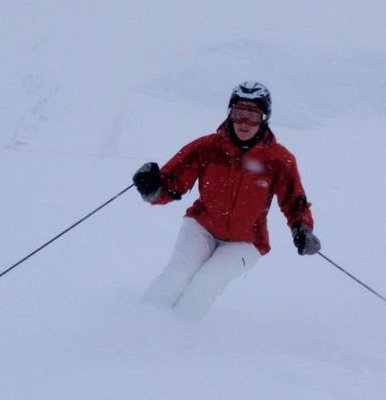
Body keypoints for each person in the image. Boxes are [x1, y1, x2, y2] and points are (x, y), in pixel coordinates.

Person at [133, 81, 321, 320]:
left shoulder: (279, 160)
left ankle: (178, 334)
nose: (244, 122)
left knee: (205, 283)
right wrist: (151, 188)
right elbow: (171, 184)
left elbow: (294, 201)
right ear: (229, 113)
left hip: (246, 241)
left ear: (264, 118)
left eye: (253, 115)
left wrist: (302, 230)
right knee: (177, 275)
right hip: (202, 227)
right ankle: (139, 324)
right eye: (238, 113)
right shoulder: (207, 147)